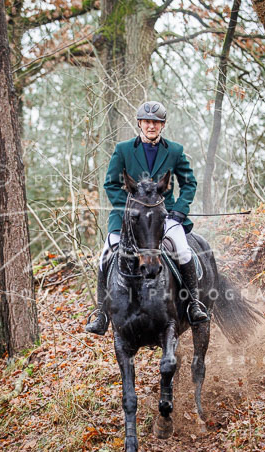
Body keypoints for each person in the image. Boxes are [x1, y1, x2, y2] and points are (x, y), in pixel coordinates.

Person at [86, 100, 208, 335]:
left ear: (162, 125)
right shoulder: (123, 150)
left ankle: (193, 304)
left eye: (156, 122)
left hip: (164, 215)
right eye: (147, 122)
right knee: (106, 254)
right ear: (140, 123)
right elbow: (110, 183)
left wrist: (181, 208)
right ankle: (102, 313)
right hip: (128, 217)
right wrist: (129, 210)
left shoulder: (174, 151)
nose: (151, 126)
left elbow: (189, 183)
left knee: (182, 249)